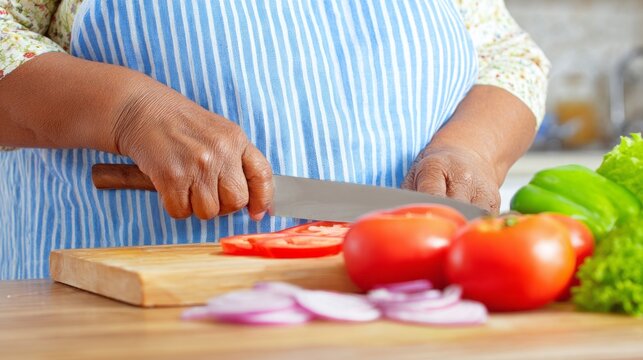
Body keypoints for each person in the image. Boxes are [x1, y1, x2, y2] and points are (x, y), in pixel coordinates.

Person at [0, 0, 550, 279]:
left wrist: (471, 148)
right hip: (119, 323)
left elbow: (508, 55)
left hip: (393, 318)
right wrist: (128, 110)